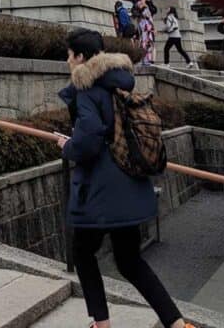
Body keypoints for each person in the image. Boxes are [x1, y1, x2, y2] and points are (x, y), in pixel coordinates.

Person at [56, 29, 196, 328]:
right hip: (132, 184)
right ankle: (176, 323)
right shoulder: (120, 83)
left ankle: (102, 323)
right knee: (130, 261)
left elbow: (89, 139)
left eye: (70, 55)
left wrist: (68, 145)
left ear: (81, 57)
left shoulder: (88, 90)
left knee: (82, 253)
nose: (68, 60)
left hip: (100, 192)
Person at [133, 0, 156, 65]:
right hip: (143, 23)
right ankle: (145, 59)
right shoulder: (137, 2)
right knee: (144, 40)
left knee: (149, 40)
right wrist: (143, 5)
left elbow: (153, 10)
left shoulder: (148, 1)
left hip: (148, 23)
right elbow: (138, 12)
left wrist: (147, 4)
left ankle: (149, 59)